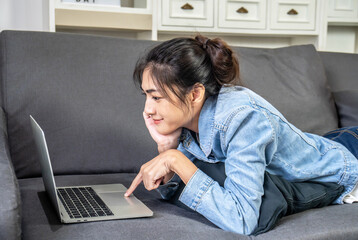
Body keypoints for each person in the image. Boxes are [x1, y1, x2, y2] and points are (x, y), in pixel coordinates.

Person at [124, 35, 358, 235]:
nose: (147, 109)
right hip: (325, 143)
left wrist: (174, 159)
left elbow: (243, 220)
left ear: (195, 94)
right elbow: (179, 190)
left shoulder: (242, 119)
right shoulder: (188, 120)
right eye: (146, 96)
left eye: (156, 97)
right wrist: (167, 148)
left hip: (347, 155)